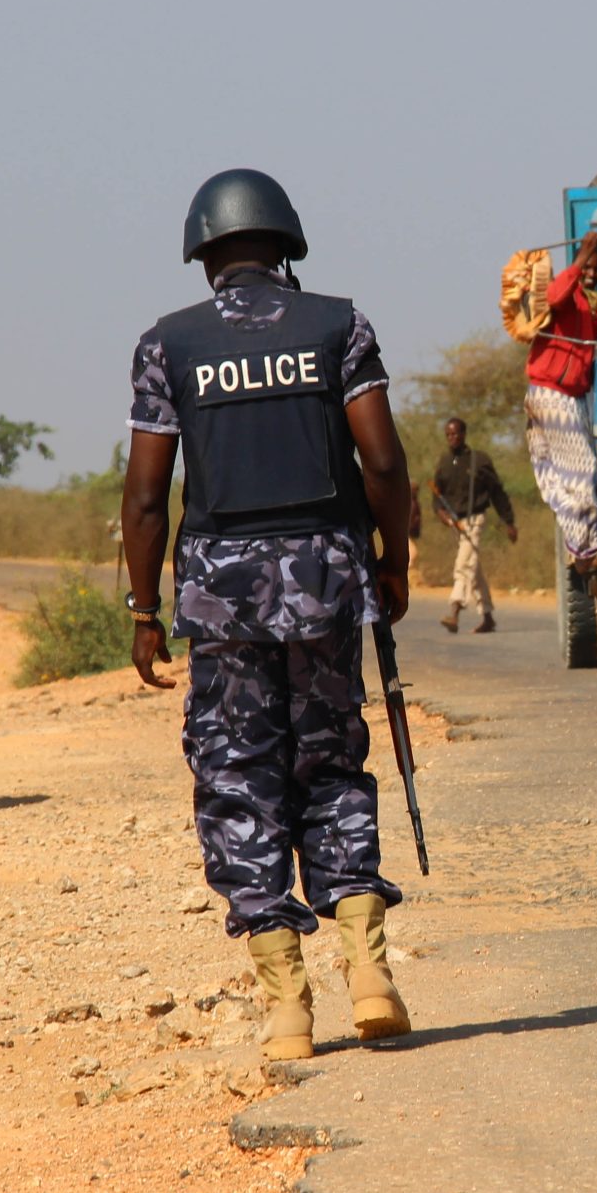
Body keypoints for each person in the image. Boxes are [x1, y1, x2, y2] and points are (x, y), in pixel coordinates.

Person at [121, 167, 415, 1063]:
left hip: (221, 598)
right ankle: (370, 977)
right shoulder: (339, 324)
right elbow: (385, 461)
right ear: (286, 243)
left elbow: (143, 495)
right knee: (332, 761)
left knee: (240, 778)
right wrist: (390, 563)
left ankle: (289, 1011)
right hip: (326, 580)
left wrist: (143, 609)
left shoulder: (168, 344)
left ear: (203, 251)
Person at [524, 232, 597, 569]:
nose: (589, 274)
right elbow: (554, 296)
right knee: (582, 471)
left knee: (554, 478)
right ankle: (588, 546)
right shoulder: (566, 296)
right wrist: (581, 258)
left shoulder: (589, 308)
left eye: (595, 270)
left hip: (558, 396)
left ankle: (578, 545)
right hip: (552, 394)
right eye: (587, 268)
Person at [429, 416, 515, 633]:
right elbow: (436, 497)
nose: (452, 438)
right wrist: (442, 515)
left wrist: (509, 521)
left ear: (464, 434)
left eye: (456, 433)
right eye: (448, 434)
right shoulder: (444, 462)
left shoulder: (479, 460)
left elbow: (497, 493)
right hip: (455, 525)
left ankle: (454, 611)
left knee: (464, 565)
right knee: (474, 569)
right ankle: (488, 616)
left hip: (475, 521)